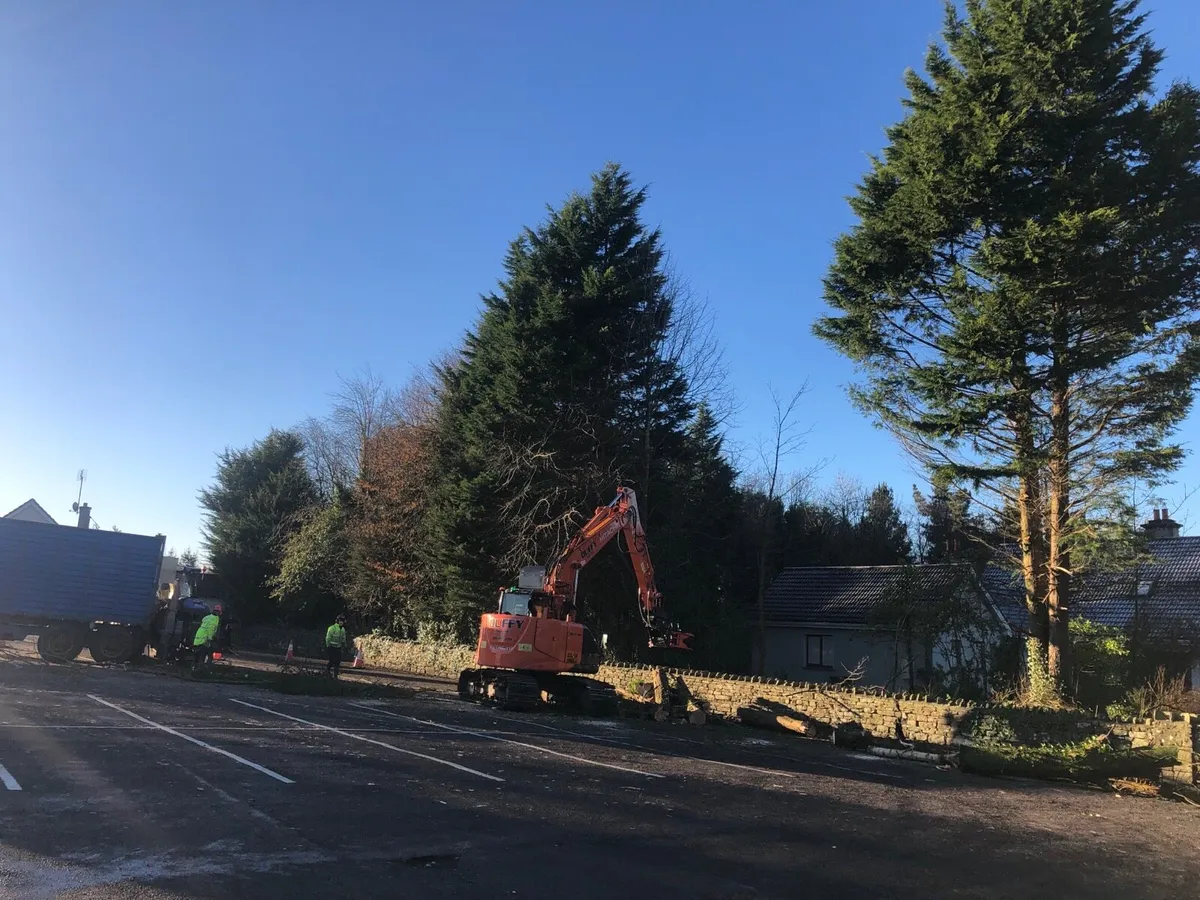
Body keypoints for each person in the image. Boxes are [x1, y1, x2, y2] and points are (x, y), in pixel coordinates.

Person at [192, 603, 222, 671]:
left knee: (197, 653)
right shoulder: (215, 619)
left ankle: (194, 667)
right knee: (205, 653)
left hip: (198, 636)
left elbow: (204, 623)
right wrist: (211, 638)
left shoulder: (207, 617)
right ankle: (201, 668)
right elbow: (210, 629)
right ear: (219, 612)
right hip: (205, 638)